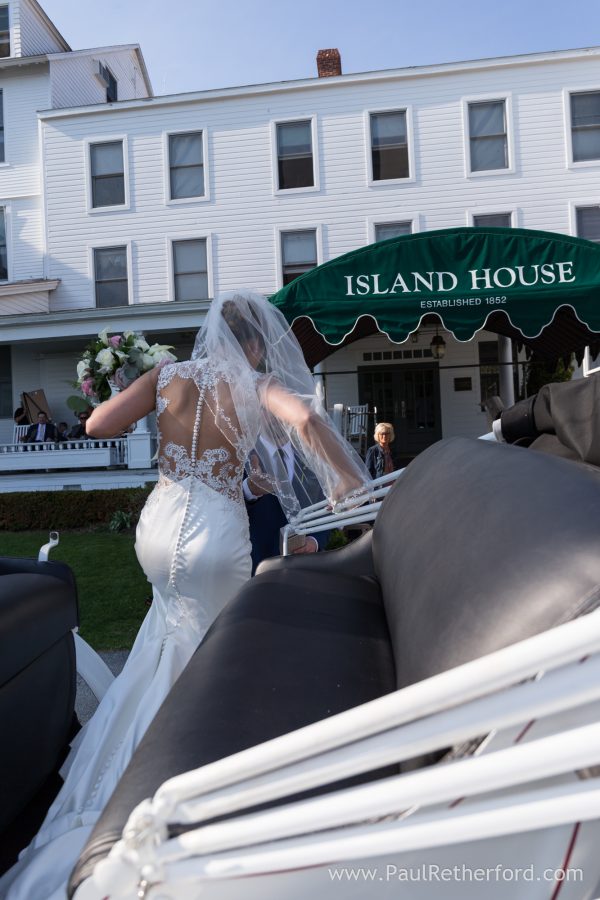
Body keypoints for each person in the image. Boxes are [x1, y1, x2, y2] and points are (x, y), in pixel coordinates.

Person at [0, 290, 371, 900]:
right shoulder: (253, 385)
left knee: (165, 636)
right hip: (214, 535)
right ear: (253, 345)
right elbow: (305, 421)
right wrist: (350, 482)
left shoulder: (168, 375)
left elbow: (97, 424)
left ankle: (120, 773)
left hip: (159, 524)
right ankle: (189, 772)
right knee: (212, 650)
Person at [244, 435, 328, 574]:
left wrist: (315, 540)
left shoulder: (310, 456)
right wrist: (248, 490)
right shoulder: (243, 452)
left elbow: (324, 506)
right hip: (255, 566)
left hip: (301, 568)